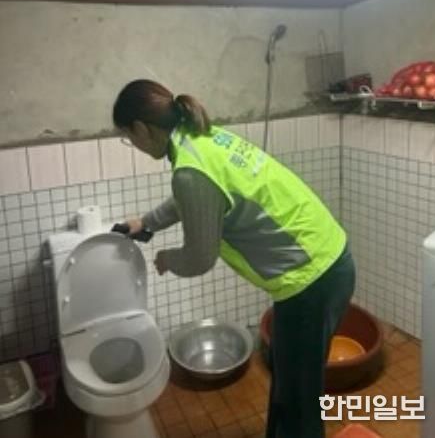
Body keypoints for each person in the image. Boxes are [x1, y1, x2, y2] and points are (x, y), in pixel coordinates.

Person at [112, 79, 355, 438]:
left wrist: (167, 259)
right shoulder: (202, 138)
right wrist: (146, 222)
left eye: (127, 137)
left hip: (312, 279)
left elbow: (199, 258)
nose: (132, 144)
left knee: (300, 399)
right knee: (291, 383)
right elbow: (198, 198)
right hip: (324, 260)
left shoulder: (191, 170)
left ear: (141, 128)